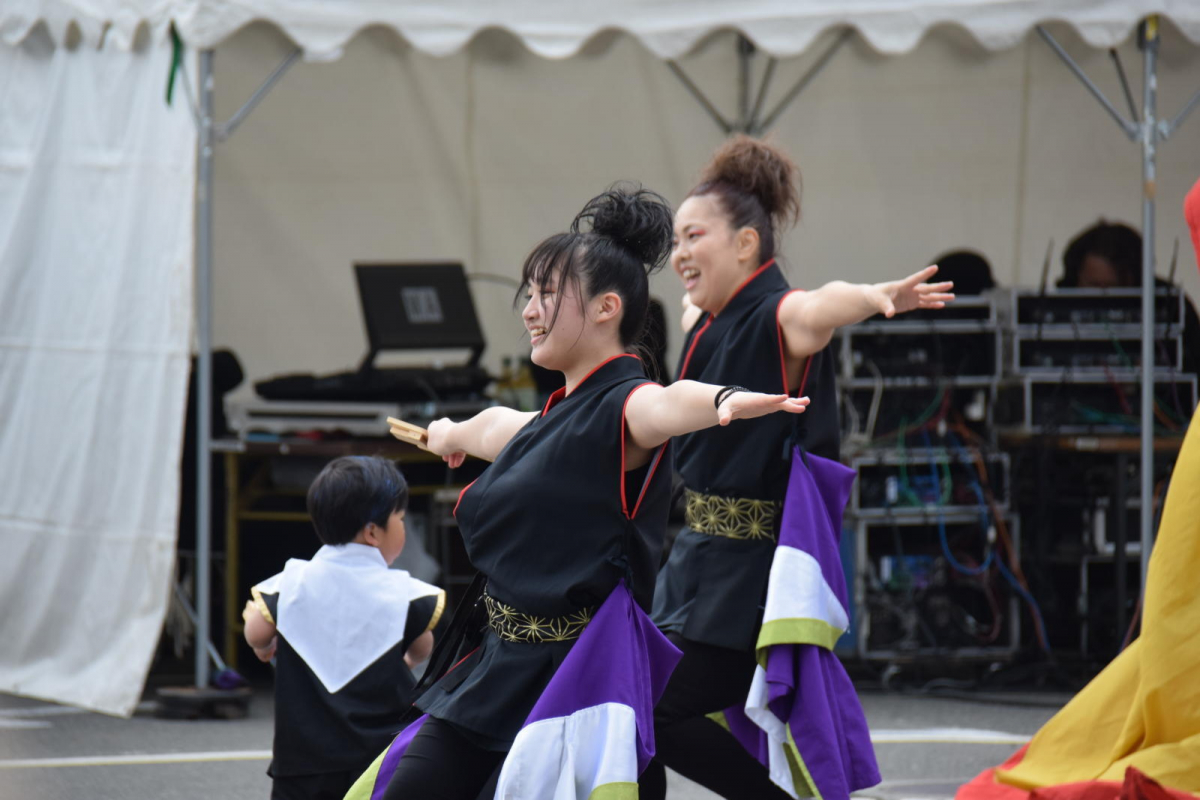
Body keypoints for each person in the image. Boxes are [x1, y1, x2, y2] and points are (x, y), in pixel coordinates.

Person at [372, 185, 811, 800]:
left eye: (548, 293)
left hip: (578, 686)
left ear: (607, 309)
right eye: (530, 292)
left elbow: (667, 403)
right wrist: (447, 432)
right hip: (497, 668)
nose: (530, 308)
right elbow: (491, 425)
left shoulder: (626, 409)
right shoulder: (548, 423)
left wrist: (723, 402)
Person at [643, 135, 954, 800]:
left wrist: (874, 296)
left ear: (748, 244)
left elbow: (818, 306)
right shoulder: (713, 318)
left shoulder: (780, 315)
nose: (679, 255)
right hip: (697, 563)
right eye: (675, 240)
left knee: (654, 709)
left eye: (694, 236)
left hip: (746, 578)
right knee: (633, 706)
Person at [242, 456, 445, 800]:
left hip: (302, 760)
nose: (403, 528)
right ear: (372, 532)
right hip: (380, 760)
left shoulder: (291, 584)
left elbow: (257, 632)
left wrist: (263, 647)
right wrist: (405, 660)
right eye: (399, 518)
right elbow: (422, 647)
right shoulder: (405, 593)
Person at [1058, 219, 1200, 378]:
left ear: (1135, 280)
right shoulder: (1053, 308)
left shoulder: (1170, 305)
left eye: (1112, 288)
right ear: (1075, 277)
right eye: (1093, 286)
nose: (1103, 298)